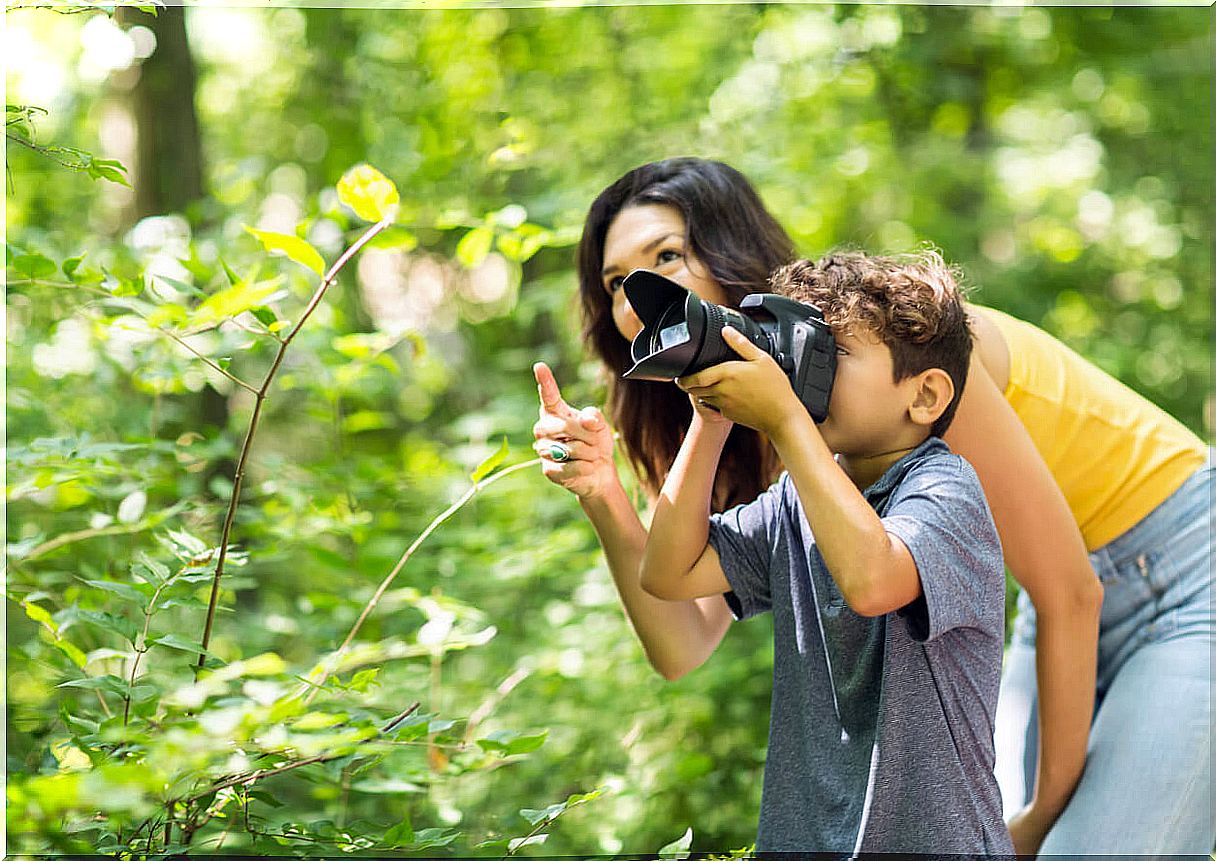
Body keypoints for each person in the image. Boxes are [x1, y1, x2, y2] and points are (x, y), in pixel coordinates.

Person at [532, 157, 1212, 856]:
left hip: (1187, 565)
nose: (637, 298)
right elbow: (682, 639)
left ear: (732, 254)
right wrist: (606, 496)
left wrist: (1040, 816)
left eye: (667, 256)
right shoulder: (755, 421)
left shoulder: (897, 358)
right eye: (615, 283)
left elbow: (1071, 589)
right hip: (1061, 597)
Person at [636, 250, 1012, 854]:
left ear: (924, 396)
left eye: (831, 352)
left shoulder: (947, 491)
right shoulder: (798, 496)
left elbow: (872, 581)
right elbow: (668, 572)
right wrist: (710, 422)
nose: (803, 368)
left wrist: (787, 421)